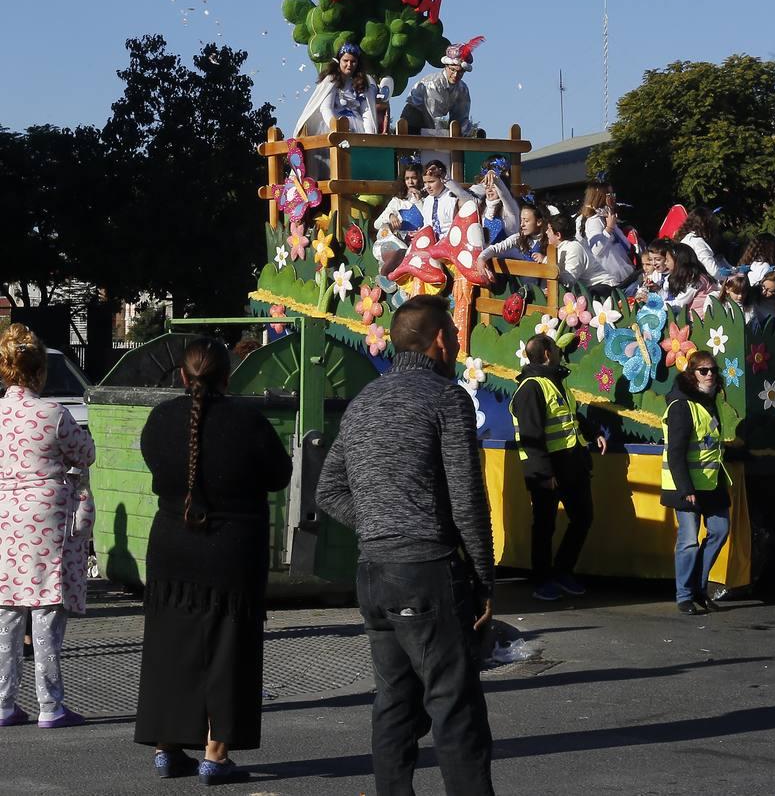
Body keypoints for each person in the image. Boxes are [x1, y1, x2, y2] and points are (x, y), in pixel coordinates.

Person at [315, 296, 496, 796]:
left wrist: (377, 524)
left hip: (374, 572)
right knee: (454, 706)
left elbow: (327, 490)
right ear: (440, 339)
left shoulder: (364, 402)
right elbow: (466, 497)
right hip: (427, 569)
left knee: (394, 703)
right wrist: (483, 576)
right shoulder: (446, 398)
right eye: (455, 335)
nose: (459, 344)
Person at [134, 338, 293, 783]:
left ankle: (167, 749)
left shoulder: (162, 418)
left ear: (182, 377)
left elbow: (153, 462)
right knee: (228, 649)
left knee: (170, 645)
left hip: (171, 547)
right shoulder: (248, 421)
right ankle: (215, 755)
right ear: (228, 376)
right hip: (232, 551)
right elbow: (280, 474)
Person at [0, 324, 96, 730]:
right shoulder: (53, 414)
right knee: (45, 606)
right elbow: (86, 453)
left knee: (6, 608)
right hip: (47, 514)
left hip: (5, 512)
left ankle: (3, 702)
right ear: (39, 372)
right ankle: (50, 703)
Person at [510, 334, 607, 601]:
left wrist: (592, 432)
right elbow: (532, 436)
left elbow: (570, 415)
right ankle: (542, 580)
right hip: (549, 471)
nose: (560, 351)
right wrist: (545, 474)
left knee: (583, 516)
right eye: (555, 348)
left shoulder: (557, 383)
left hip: (572, 465)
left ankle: (563, 570)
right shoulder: (531, 387)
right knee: (544, 526)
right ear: (546, 354)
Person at [660, 350, 732, 616]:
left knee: (720, 530)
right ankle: (685, 596)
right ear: (692, 375)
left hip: (711, 483)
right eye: (703, 371)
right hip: (688, 487)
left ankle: (698, 587)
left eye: (713, 369)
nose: (710, 374)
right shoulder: (682, 406)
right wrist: (686, 489)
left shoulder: (709, 402)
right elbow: (675, 452)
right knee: (689, 540)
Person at [400, 37, 483, 134]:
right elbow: (434, 118)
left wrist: (469, 133)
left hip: (434, 121)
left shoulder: (462, 89)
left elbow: (460, 119)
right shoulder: (434, 84)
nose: (455, 75)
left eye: (460, 72)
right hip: (413, 120)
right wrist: (445, 138)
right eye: (452, 70)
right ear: (446, 66)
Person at [575, 182, 638, 291]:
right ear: (600, 197)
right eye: (609, 194)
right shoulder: (593, 221)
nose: (613, 197)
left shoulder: (604, 216)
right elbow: (596, 249)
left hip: (621, 270)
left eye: (613, 193)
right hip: (610, 276)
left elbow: (625, 243)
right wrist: (609, 228)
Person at [547, 214, 621, 298]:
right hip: (586, 288)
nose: (546, 232)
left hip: (601, 287)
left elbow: (569, 280)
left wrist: (552, 272)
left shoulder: (574, 248)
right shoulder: (559, 248)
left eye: (549, 230)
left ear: (558, 235)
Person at [476, 202, 548, 281]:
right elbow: (496, 248)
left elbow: (561, 267)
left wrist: (544, 259)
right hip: (526, 286)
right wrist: (481, 258)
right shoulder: (519, 237)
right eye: (521, 220)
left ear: (539, 222)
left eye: (526, 221)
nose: (522, 225)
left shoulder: (549, 239)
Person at [675, 207, 732, 281]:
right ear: (706, 225)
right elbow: (714, 273)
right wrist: (733, 277)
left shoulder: (686, 240)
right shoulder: (697, 242)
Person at [661, 242, 713, 314]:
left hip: (699, 321)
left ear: (678, 262)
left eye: (667, 260)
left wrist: (654, 304)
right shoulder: (686, 277)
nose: (665, 263)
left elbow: (679, 305)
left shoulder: (695, 280)